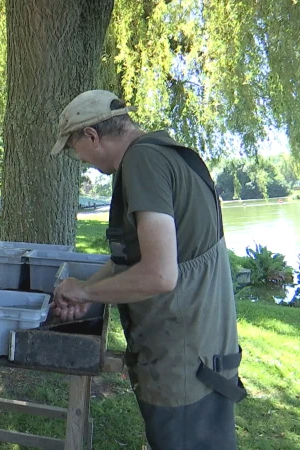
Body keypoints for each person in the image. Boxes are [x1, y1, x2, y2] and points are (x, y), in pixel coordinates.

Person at [50, 90, 247, 449]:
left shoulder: (142, 164)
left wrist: (86, 292)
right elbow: (134, 258)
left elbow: (159, 274)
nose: (79, 160)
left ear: (92, 136)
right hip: (204, 355)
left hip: (184, 365)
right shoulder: (165, 153)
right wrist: (88, 291)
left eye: (74, 149)